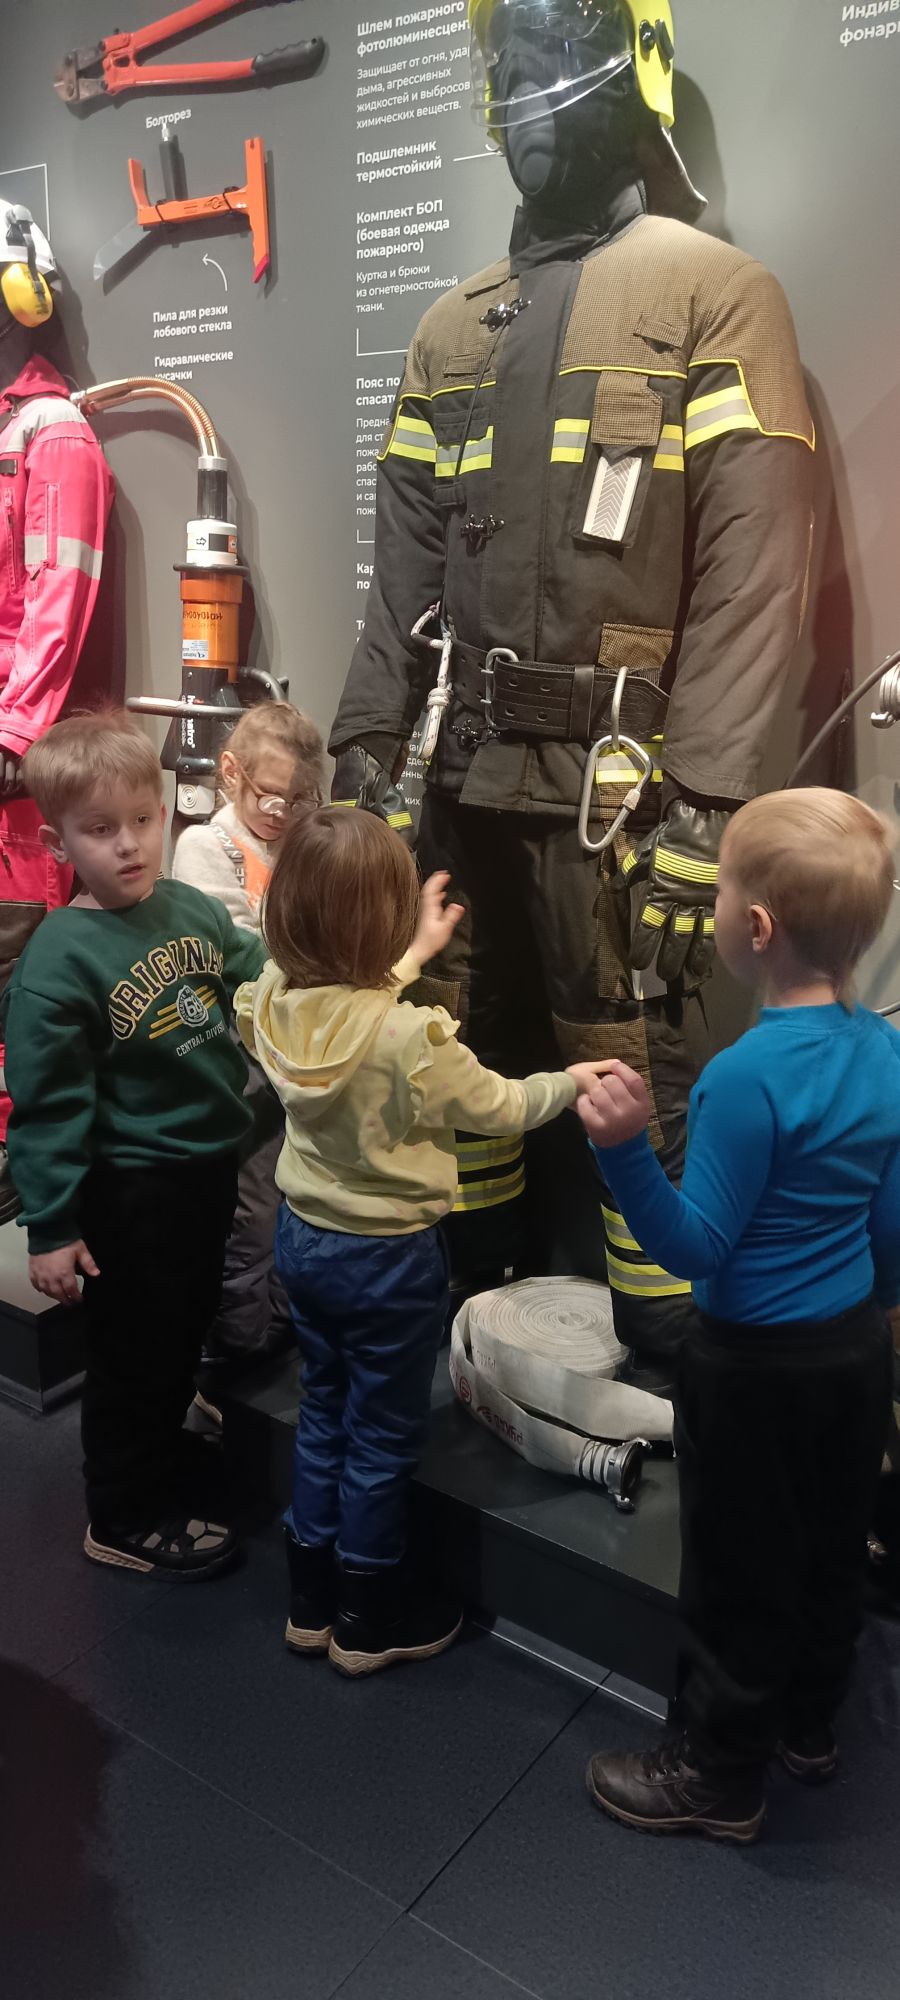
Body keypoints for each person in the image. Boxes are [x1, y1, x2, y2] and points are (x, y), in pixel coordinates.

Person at [329, 1, 814, 1388]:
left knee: (633, 1056)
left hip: (625, 794)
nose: (531, 92)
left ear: (633, 69)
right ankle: (474, 1274)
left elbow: (757, 576)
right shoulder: (450, 329)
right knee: (455, 1030)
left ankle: (664, 1327)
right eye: (511, 63)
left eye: (557, 53)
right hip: (465, 776)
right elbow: (399, 578)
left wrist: (709, 803)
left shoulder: (715, 293)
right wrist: (365, 768)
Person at [574, 788, 900, 1842]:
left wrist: (622, 1149)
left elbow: (695, 1248)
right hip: (853, 1353)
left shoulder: (740, 1079)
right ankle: (808, 1725)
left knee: (737, 1569)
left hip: (752, 1366)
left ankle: (718, 1773)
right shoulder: (887, 1050)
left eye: (717, 890)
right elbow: (892, 1222)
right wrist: (867, 1315)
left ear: (754, 927)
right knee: (832, 1545)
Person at [235, 806, 609, 1677]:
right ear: (384, 923)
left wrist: (412, 958)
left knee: (324, 1410)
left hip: (304, 1242)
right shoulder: (413, 1039)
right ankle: (368, 1619)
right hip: (388, 1261)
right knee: (382, 1435)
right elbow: (500, 1107)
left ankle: (309, 1600)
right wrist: (569, 1081)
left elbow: (347, 1013)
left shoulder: (272, 997)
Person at [3, 711, 265, 1578]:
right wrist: (51, 1227)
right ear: (57, 842)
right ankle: (121, 1513)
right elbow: (47, 1110)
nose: (129, 844)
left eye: (143, 820)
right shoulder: (58, 964)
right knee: (132, 1353)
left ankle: (160, 1455)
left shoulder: (189, 908)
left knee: (180, 1330)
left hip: (205, 1168)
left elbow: (254, 971)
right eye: (100, 829)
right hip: (132, 1191)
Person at [0, 199, 115, 1219]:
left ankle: (22, 1157)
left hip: (23, 769)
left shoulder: (55, 433)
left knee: (20, 960)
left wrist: (14, 732)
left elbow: (58, 589)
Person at [173, 702, 324, 1367]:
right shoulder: (206, 848)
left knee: (302, 1193)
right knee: (255, 1205)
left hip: (304, 1049)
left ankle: (284, 1325)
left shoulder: (301, 841)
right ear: (231, 772)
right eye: (272, 796)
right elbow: (241, 955)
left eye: (301, 798)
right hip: (245, 1058)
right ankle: (238, 1344)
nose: (284, 813)